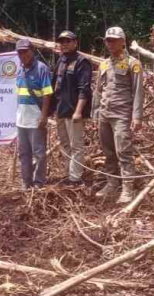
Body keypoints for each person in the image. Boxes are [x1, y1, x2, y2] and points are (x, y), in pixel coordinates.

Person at [91, 27, 144, 203]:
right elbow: (98, 90)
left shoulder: (133, 63)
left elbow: (138, 91)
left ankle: (128, 188)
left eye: (114, 40)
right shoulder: (104, 64)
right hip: (104, 114)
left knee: (124, 151)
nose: (110, 43)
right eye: (108, 40)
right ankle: (112, 184)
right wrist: (95, 113)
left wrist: (137, 117)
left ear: (123, 41)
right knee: (108, 152)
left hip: (121, 115)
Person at [50, 30, 93, 185]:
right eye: (62, 42)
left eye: (68, 41)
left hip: (74, 112)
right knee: (65, 145)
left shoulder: (82, 62)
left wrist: (78, 111)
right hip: (61, 110)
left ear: (75, 43)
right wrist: (50, 110)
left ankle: (75, 178)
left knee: (76, 146)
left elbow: (84, 89)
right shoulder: (61, 60)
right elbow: (54, 86)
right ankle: (68, 174)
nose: (64, 44)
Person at [15, 39, 53, 190]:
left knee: (39, 152)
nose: (23, 54)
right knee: (24, 153)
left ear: (32, 51)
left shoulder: (41, 68)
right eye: (20, 52)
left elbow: (47, 94)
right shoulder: (20, 70)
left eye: (25, 51)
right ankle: (26, 181)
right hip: (21, 118)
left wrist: (43, 116)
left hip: (36, 118)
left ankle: (38, 181)